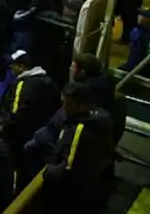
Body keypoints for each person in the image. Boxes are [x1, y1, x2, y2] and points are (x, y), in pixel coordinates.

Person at [40, 83, 115, 212]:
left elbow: (68, 168)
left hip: (76, 192)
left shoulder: (80, 129)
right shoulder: (101, 116)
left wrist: (48, 171)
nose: (63, 108)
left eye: (67, 104)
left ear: (79, 104)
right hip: (97, 184)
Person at [0, 50, 61, 179]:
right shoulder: (50, 82)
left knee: (18, 171)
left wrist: (3, 127)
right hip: (40, 136)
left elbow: (16, 113)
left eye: (13, 66)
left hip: (19, 139)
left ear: (22, 67)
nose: (11, 69)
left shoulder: (23, 85)